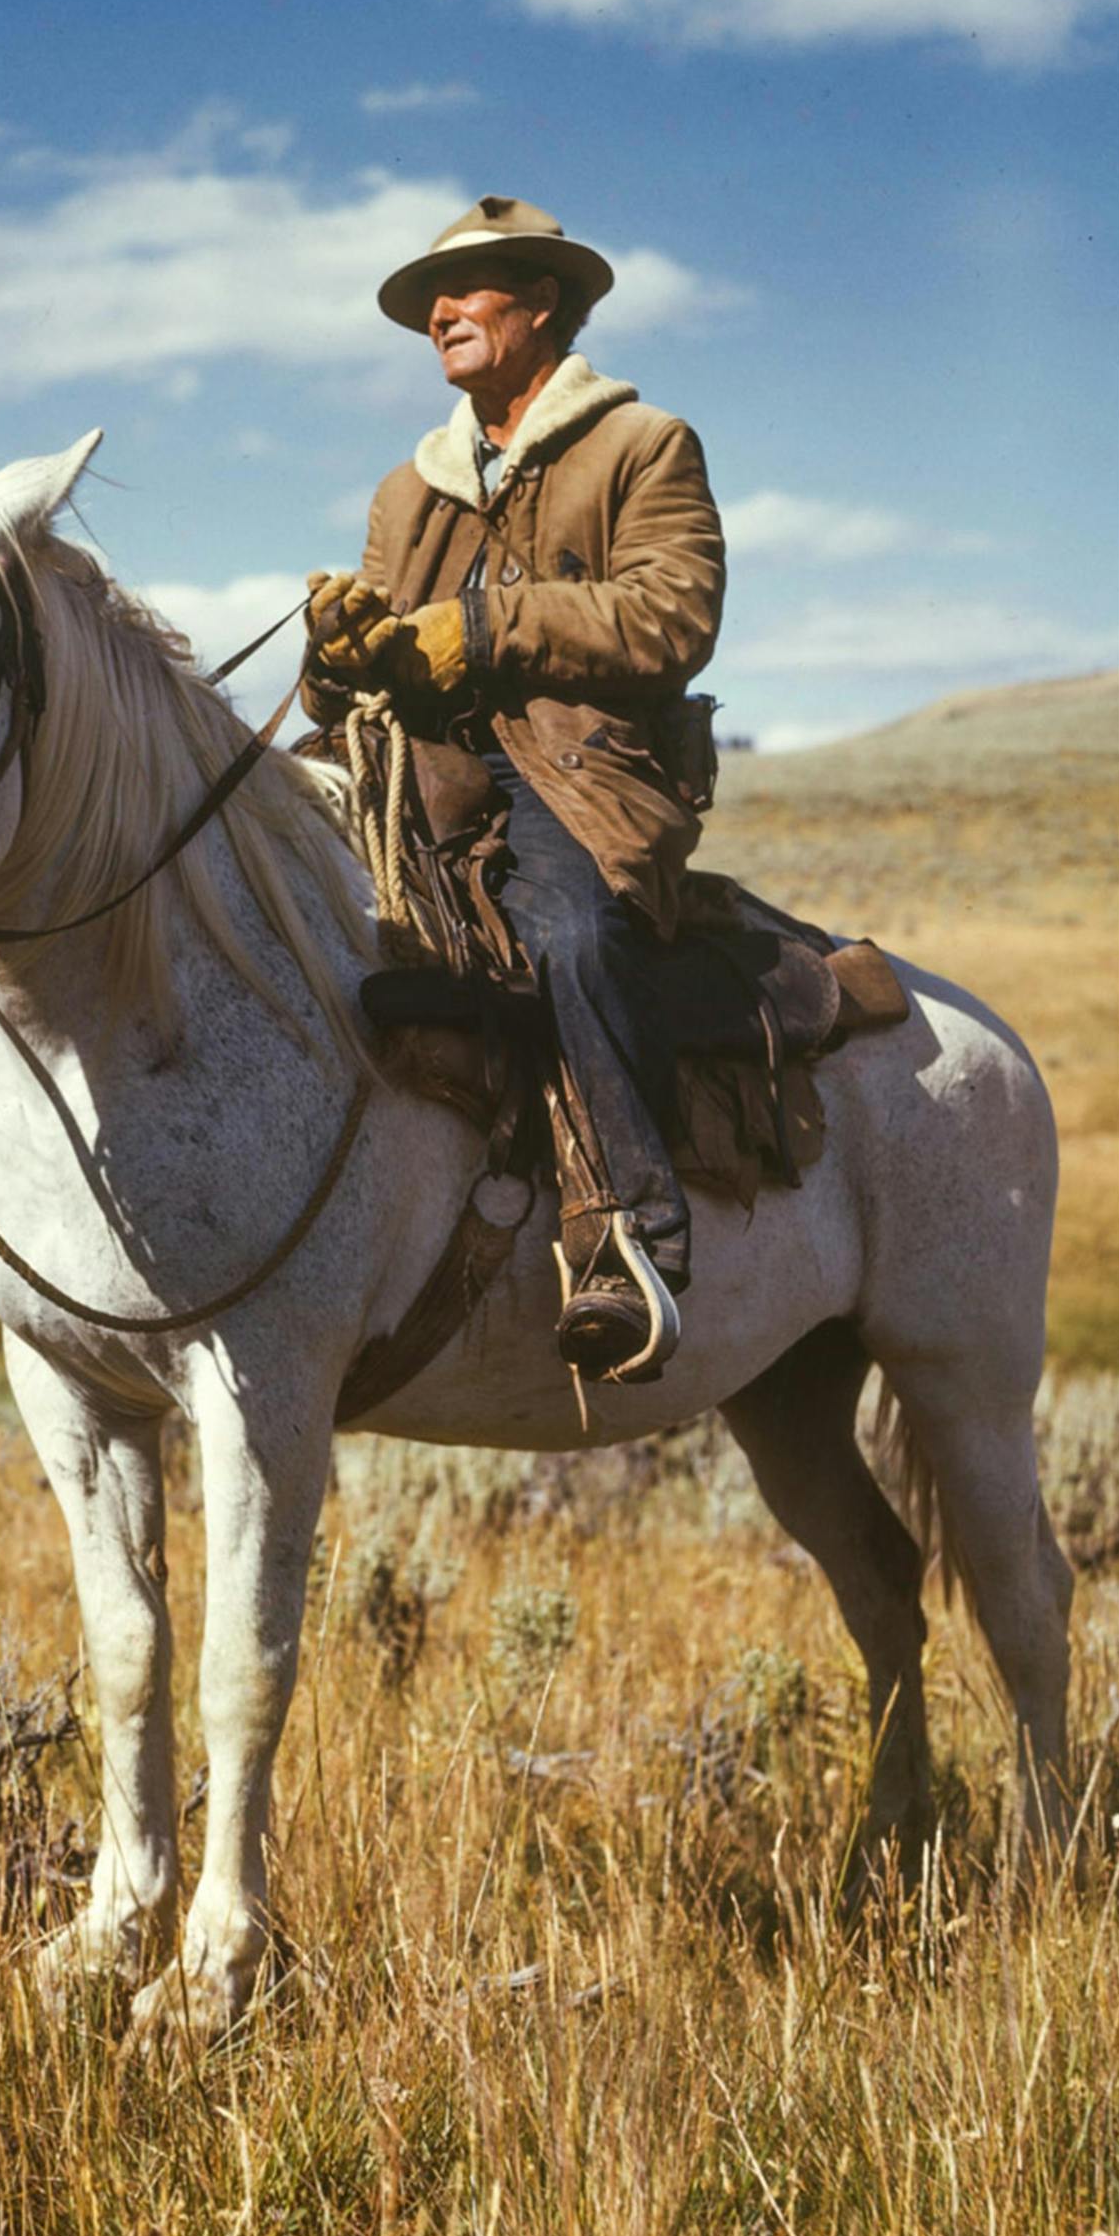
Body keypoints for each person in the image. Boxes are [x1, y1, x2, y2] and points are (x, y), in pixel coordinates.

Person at [307, 195, 726, 1380]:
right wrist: (339, 655)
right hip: (419, 773)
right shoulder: (408, 490)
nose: (437, 314)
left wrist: (483, 631)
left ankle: (623, 1233)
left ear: (539, 303)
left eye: (467, 290)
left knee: (573, 935)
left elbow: (670, 615)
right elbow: (381, 660)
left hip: (579, 771)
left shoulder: (640, 445)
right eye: (427, 304)